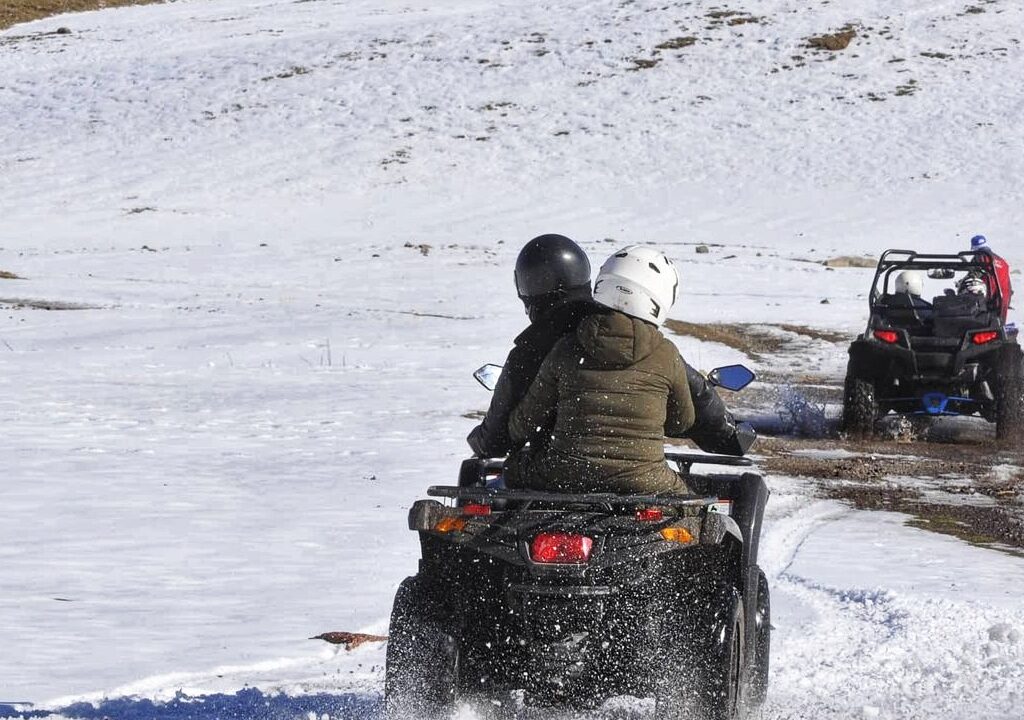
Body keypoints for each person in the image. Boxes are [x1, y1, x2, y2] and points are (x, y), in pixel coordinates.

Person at [504, 246, 739, 495]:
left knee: (507, 474)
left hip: (563, 475)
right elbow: (682, 421)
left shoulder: (567, 347)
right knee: (697, 516)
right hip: (645, 480)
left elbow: (526, 420)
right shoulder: (666, 354)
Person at [466, 234, 597, 458]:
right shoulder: (631, 335)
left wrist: (479, 439)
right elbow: (678, 423)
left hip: (556, 476)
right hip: (643, 475)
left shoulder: (533, 350)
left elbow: (496, 441)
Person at [970, 235, 1013, 322]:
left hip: (987, 299)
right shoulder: (1002, 261)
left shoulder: (979, 258)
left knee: (982, 327)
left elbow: (972, 276)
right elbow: (1008, 283)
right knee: (999, 327)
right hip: (1003, 298)